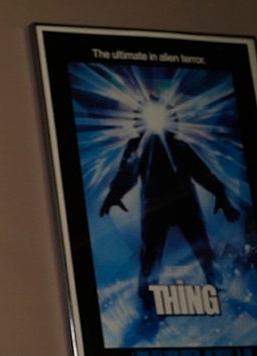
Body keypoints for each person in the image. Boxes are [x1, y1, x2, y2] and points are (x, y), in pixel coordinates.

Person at [100, 126, 241, 322]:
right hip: (156, 209)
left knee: (201, 249)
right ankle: (148, 301)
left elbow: (202, 173)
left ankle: (215, 286)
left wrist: (221, 196)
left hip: (184, 206)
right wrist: (114, 195)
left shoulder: (179, 146)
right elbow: (127, 174)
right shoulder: (139, 147)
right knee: (151, 255)